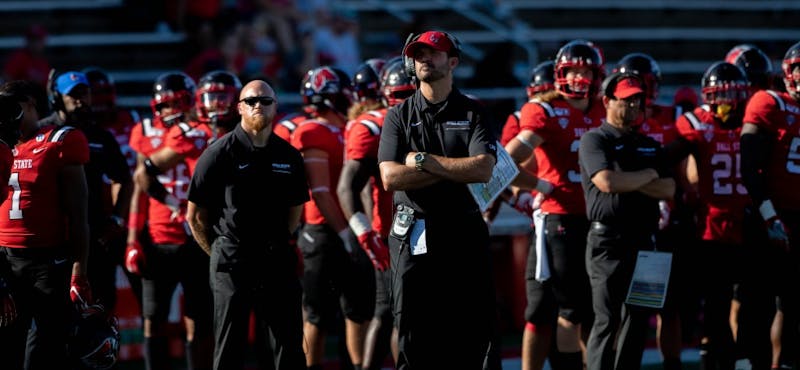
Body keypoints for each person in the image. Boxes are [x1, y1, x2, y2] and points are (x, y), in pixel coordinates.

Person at [378, 30, 497, 369]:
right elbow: (390, 177)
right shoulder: (397, 115)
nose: (425, 59)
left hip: (463, 230)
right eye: (418, 55)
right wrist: (455, 168)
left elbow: (484, 169)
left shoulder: (474, 112)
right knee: (414, 334)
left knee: (472, 334)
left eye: (434, 52)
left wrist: (422, 160)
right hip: (413, 233)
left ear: (453, 61)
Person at [186, 80, 308, 370]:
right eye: (251, 101)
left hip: (276, 258)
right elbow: (195, 216)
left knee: (289, 346)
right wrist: (217, 251)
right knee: (230, 347)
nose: (258, 106)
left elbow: (295, 212)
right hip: (232, 259)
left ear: (276, 107)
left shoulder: (289, 156)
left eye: (266, 101)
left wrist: (276, 243)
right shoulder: (218, 154)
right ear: (239, 107)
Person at [505, 40, 605, 370]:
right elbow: (504, 161)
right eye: (572, 70)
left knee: (597, 310)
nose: (578, 77)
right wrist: (539, 186)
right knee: (570, 309)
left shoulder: (606, 109)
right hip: (560, 220)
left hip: (600, 220)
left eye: (585, 70)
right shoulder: (545, 111)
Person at [578, 72, 675, 370]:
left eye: (637, 100)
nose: (633, 106)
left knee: (639, 319)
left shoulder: (649, 144)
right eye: (626, 100)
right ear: (607, 101)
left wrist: (628, 180)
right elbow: (607, 181)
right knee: (607, 319)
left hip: (646, 241)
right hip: (608, 242)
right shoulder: (595, 139)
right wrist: (646, 176)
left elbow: (669, 188)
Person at [0, 80, 91, 370]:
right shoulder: (4, 141)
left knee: (41, 350)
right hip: (6, 259)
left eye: (10, 106)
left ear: (29, 104)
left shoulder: (60, 140)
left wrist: (79, 270)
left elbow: (79, 213)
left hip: (48, 261)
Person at [669, 61, 755, 370]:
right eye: (721, 95)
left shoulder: (756, 120)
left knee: (751, 302)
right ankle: (717, 360)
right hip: (712, 227)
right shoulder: (698, 124)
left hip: (750, 223)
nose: (727, 103)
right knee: (716, 305)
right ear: (708, 97)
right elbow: (669, 159)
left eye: (733, 95)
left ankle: (744, 358)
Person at [128, 71, 215, 370]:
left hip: (196, 237)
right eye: (165, 105)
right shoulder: (145, 131)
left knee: (198, 318)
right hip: (158, 235)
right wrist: (132, 240)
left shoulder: (203, 130)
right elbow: (139, 186)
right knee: (153, 319)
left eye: (178, 102)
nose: (171, 110)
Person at [291, 66, 372, 370]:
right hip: (324, 232)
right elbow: (321, 191)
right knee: (317, 315)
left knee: (358, 311)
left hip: (349, 226)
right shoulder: (312, 130)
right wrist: (346, 232)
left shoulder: (349, 127)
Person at [338, 58, 414, 370]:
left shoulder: (443, 115)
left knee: (398, 313)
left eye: (410, 93)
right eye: (397, 94)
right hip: (392, 232)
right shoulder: (373, 125)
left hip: (428, 226)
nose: (405, 101)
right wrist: (365, 234)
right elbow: (347, 188)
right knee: (392, 314)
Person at [40, 71, 133, 313]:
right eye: (74, 95)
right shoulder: (40, 132)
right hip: (51, 236)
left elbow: (124, 179)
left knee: (100, 310)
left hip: (94, 237)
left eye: (85, 93)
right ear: (57, 98)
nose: (81, 100)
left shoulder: (100, 136)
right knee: (53, 312)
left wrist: (117, 219)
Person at [741, 40, 800, 370]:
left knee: (793, 303)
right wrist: (768, 214)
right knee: (760, 302)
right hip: (771, 215)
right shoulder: (769, 102)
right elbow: (750, 166)